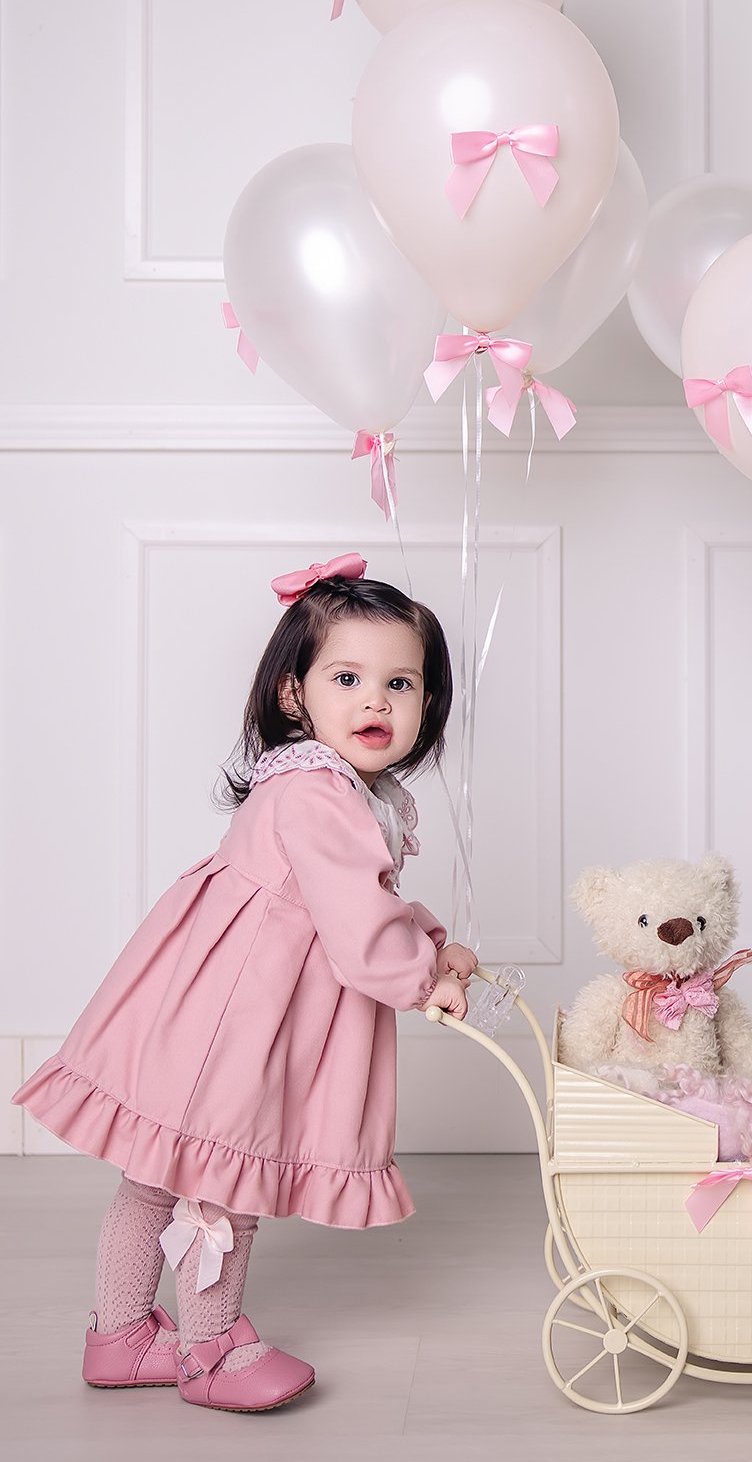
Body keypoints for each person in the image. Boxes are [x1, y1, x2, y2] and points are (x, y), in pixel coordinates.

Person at [10, 553, 477, 1413]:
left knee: (156, 1174)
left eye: (400, 683)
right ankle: (210, 1349)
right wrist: (423, 981)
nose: (376, 701)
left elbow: (357, 901)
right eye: (347, 678)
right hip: (242, 1020)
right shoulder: (319, 793)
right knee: (222, 1181)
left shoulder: (326, 787)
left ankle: (119, 1336)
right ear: (294, 694)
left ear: (428, 701)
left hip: (206, 1006)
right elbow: (359, 931)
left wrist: (429, 942)